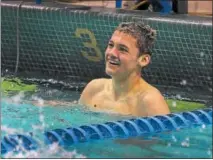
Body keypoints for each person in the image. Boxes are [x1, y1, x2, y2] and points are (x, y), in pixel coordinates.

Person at [79, 22, 170, 117]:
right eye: (111, 45)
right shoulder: (94, 89)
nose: (112, 53)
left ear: (143, 60)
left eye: (122, 49)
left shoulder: (150, 101)